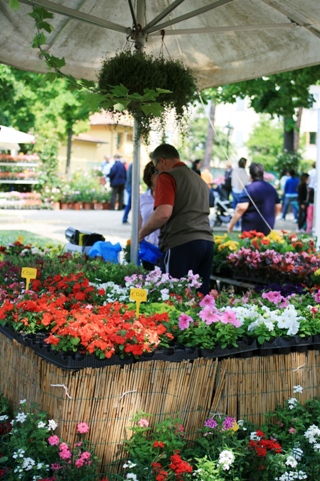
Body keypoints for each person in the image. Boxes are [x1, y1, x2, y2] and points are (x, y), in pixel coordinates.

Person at [138, 144, 214, 295]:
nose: (157, 171)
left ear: (162, 161)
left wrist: (141, 234)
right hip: (206, 242)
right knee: (200, 297)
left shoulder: (168, 177)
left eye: (156, 167)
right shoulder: (199, 180)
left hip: (181, 242)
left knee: (173, 294)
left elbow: (163, 213)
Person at [228, 162, 281, 236]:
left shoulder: (249, 188)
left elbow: (241, 207)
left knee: (249, 247)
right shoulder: (271, 188)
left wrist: (232, 224)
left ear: (250, 176)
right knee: (266, 246)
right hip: (268, 225)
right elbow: (278, 206)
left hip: (251, 227)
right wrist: (272, 217)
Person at [139, 161, 160, 270]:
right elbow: (139, 224)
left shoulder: (172, 198)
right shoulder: (142, 199)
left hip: (165, 248)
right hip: (147, 248)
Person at [231, 157, 249, 229]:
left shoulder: (235, 171)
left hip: (234, 191)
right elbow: (246, 182)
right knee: (242, 209)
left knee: (236, 209)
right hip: (241, 191)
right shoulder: (244, 172)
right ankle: (240, 224)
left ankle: (236, 224)